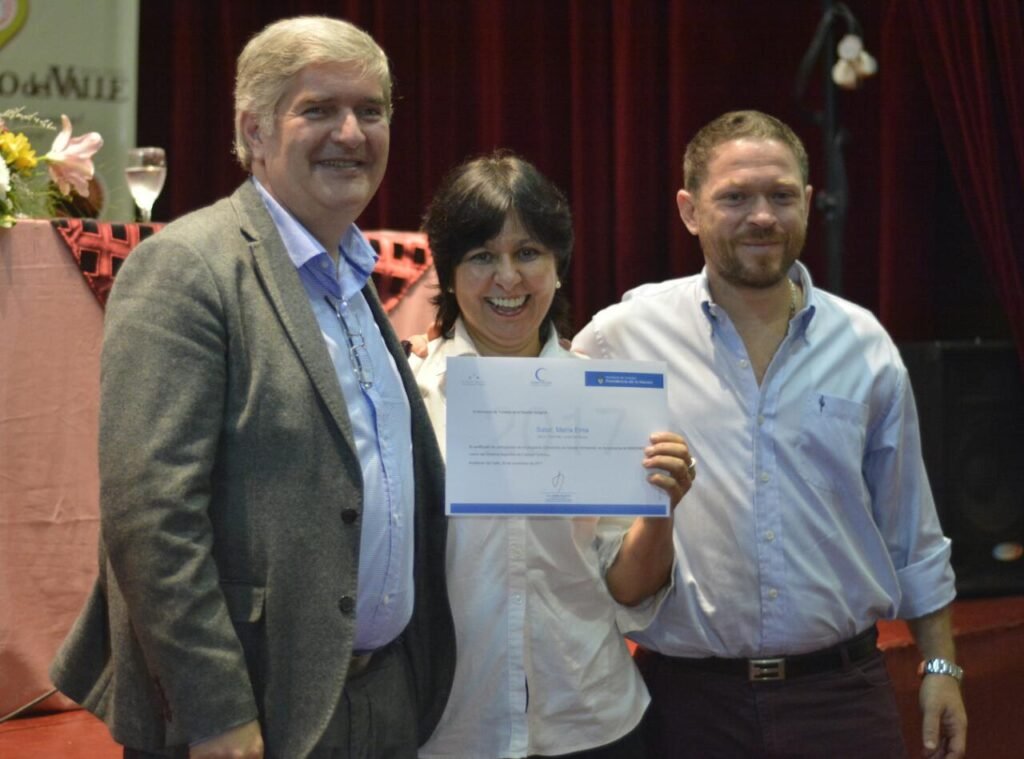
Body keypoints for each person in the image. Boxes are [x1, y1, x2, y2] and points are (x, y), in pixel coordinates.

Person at [49, 16, 454, 759]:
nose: (351, 133)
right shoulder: (186, 268)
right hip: (255, 714)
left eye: (370, 110)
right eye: (318, 109)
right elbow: (151, 515)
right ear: (254, 131)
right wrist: (216, 710)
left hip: (382, 701)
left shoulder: (355, 277)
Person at [572, 110, 967, 759]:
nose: (762, 216)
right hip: (687, 706)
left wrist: (941, 665)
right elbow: (534, 400)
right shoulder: (622, 338)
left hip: (843, 700)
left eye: (781, 196)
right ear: (689, 210)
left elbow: (911, 530)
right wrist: (443, 355)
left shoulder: (864, 344)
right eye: (735, 197)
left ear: (807, 202)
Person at [410, 151, 695, 759]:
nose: (508, 278)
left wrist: (661, 508)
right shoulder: (407, 398)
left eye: (528, 253)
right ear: (448, 273)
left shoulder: (605, 401)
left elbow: (627, 586)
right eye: (481, 256)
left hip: (591, 720)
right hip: (448, 730)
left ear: (558, 266)